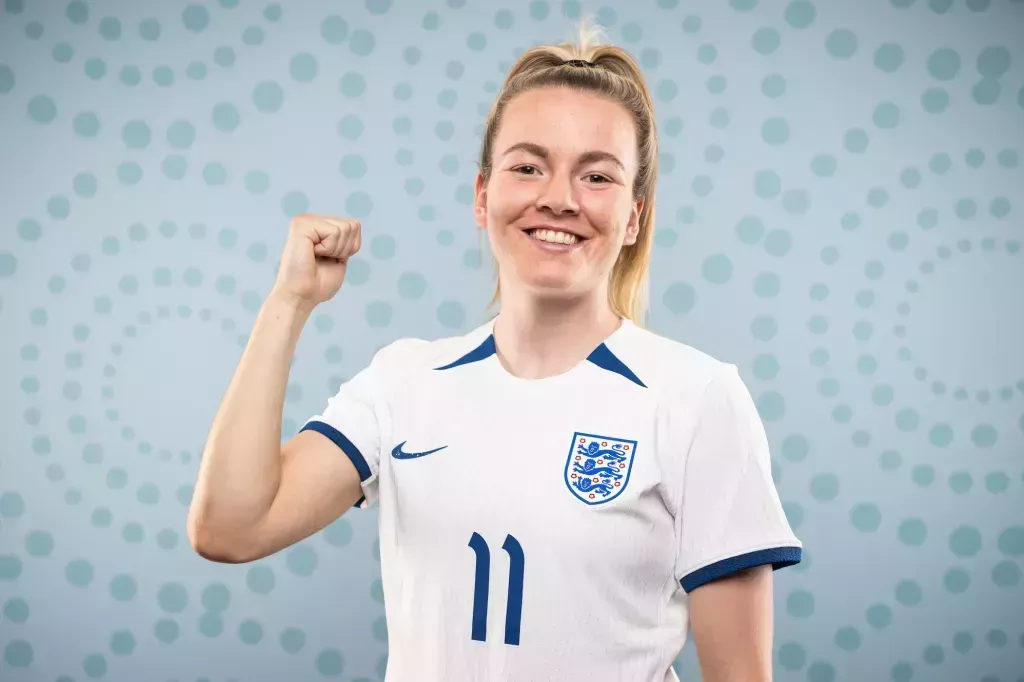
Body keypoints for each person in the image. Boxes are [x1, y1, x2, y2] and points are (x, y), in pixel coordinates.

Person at [187, 21, 802, 682]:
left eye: (597, 176)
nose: (559, 199)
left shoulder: (698, 398)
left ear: (634, 217)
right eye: (528, 167)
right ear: (483, 196)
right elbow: (231, 529)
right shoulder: (403, 381)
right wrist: (289, 303)